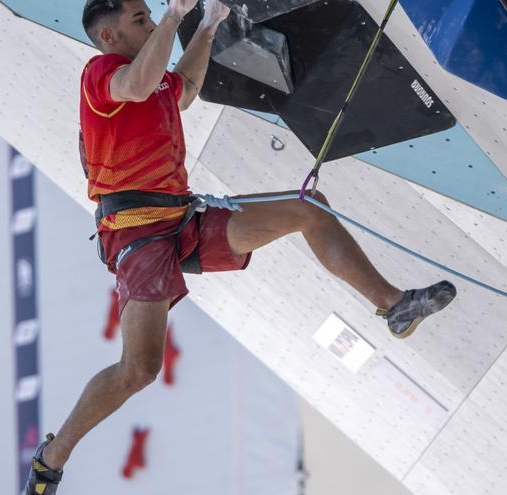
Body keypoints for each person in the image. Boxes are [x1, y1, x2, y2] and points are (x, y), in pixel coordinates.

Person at [25, 0, 456, 492]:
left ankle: (394, 306)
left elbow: (182, 90)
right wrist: (174, 17)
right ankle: (51, 459)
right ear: (108, 36)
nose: (150, 23)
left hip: (181, 218)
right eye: (139, 19)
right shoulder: (102, 73)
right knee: (141, 368)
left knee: (309, 208)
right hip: (136, 233)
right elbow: (140, 84)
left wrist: (207, 25)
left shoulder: (151, 78)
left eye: (150, 16)